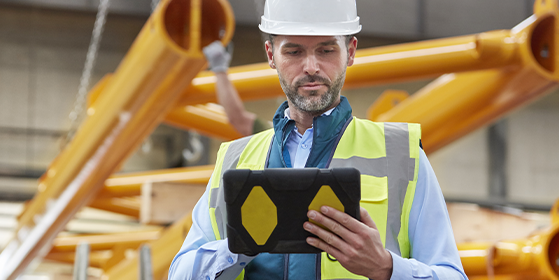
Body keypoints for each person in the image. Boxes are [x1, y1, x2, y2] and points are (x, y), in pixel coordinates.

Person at [168, 0, 469, 279]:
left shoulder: (402, 155)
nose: (311, 66)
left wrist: (385, 267)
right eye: (294, 51)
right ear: (271, 55)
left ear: (350, 52)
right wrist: (236, 247)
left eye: (326, 50)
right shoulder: (234, 159)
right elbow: (179, 273)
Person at [202, 42, 271, 136]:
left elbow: (238, 120)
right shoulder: (278, 135)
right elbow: (238, 119)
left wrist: (219, 69)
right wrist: (220, 69)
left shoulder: (279, 137)